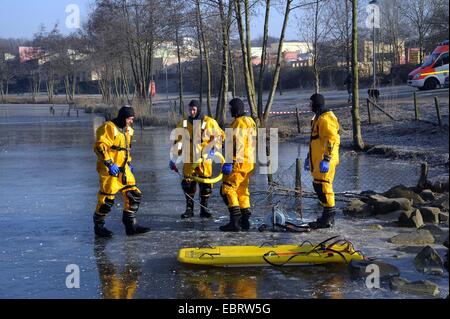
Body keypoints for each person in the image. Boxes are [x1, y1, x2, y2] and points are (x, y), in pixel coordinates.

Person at [93, 105, 150, 237]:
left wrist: (128, 163)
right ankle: (99, 227)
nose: (131, 121)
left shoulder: (128, 130)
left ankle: (131, 225)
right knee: (106, 200)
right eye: (130, 118)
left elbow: (126, 148)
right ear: (123, 118)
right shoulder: (109, 128)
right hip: (110, 171)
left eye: (132, 119)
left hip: (123, 169)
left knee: (134, 195)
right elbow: (100, 147)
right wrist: (109, 163)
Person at [169, 100, 225, 219]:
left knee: (206, 186)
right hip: (189, 159)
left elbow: (219, 137)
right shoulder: (184, 124)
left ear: (198, 109)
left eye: (194, 109)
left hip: (204, 160)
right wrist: (173, 158)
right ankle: (189, 209)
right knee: (188, 185)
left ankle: (204, 209)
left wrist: (213, 149)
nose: (191, 112)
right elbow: (178, 142)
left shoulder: (209, 122)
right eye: (190, 109)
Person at [219, 98, 257, 232]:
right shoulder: (249, 121)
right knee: (242, 190)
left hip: (238, 162)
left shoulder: (239, 123)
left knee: (227, 189)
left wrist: (229, 161)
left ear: (236, 108)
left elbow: (239, 144)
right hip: (249, 162)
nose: (229, 110)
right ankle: (245, 221)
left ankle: (234, 222)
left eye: (230, 108)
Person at [304, 94, 340, 229]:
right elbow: (315, 141)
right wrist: (309, 157)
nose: (309, 105)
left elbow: (331, 140)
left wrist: (326, 159)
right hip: (317, 159)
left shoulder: (326, 119)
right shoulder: (317, 118)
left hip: (325, 160)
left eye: (311, 103)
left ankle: (329, 216)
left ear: (316, 104)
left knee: (325, 186)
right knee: (318, 186)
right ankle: (326, 214)